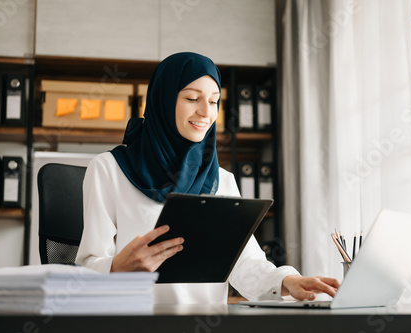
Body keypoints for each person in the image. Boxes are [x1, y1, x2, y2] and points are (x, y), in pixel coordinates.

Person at [75, 52, 339, 304]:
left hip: (205, 322)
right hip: (135, 323)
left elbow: (244, 263)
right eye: (192, 99)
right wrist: (116, 267)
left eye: (213, 101)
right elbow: (87, 267)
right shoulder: (109, 169)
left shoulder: (221, 180)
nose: (206, 112)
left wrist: (287, 280)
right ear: (163, 100)